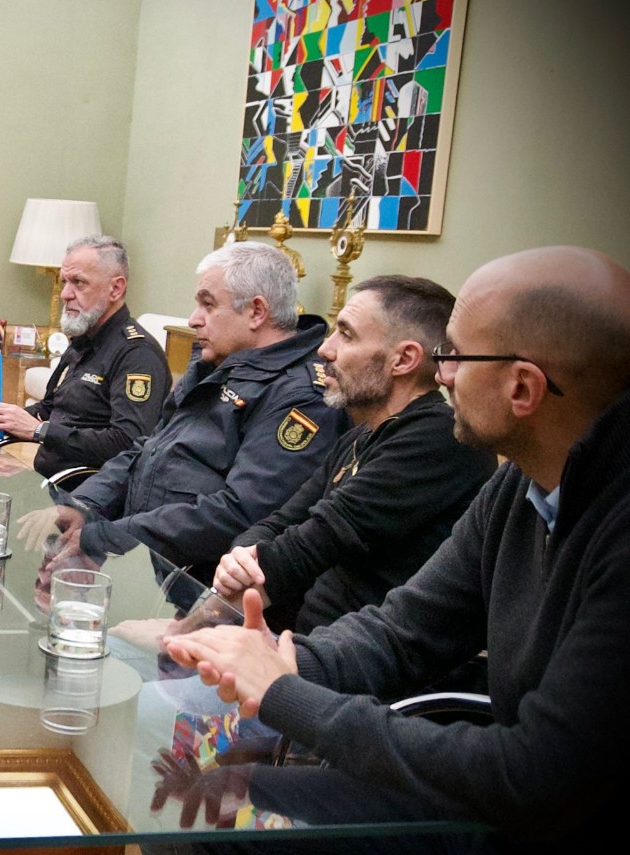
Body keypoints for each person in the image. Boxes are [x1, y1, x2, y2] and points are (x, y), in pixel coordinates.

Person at [164, 246, 630, 842]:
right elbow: (402, 629)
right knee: (209, 795)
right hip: (496, 788)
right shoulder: (518, 484)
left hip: (531, 807)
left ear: (522, 388)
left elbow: (536, 775)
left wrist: (286, 692)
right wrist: (286, 660)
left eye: (455, 355)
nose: (443, 374)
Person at [210, 276, 499, 634]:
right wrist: (239, 556)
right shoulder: (361, 435)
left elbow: (318, 540)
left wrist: (200, 623)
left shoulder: (439, 437)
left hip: (368, 656)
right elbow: (279, 522)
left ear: (403, 359)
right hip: (311, 639)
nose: (325, 349)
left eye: (346, 335)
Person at [53, 242, 348, 591]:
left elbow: (241, 512)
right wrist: (83, 505)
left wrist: (107, 536)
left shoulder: (301, 397)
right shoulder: (215, 363)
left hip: (198, 587)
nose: (194, 319)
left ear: (256, 312)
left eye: (208, 304)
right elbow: (145, 448)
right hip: (138, 558)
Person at [0, 235, 171, 480]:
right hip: (45, 478)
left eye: (79, 282)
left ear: (116, 288)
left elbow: (128, 442)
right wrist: (2, 420)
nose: (66, 294)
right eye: (64, 281)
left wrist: (39, 430)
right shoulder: (83, 340)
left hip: (89, 491)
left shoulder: (137, 355)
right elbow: (50, 409)